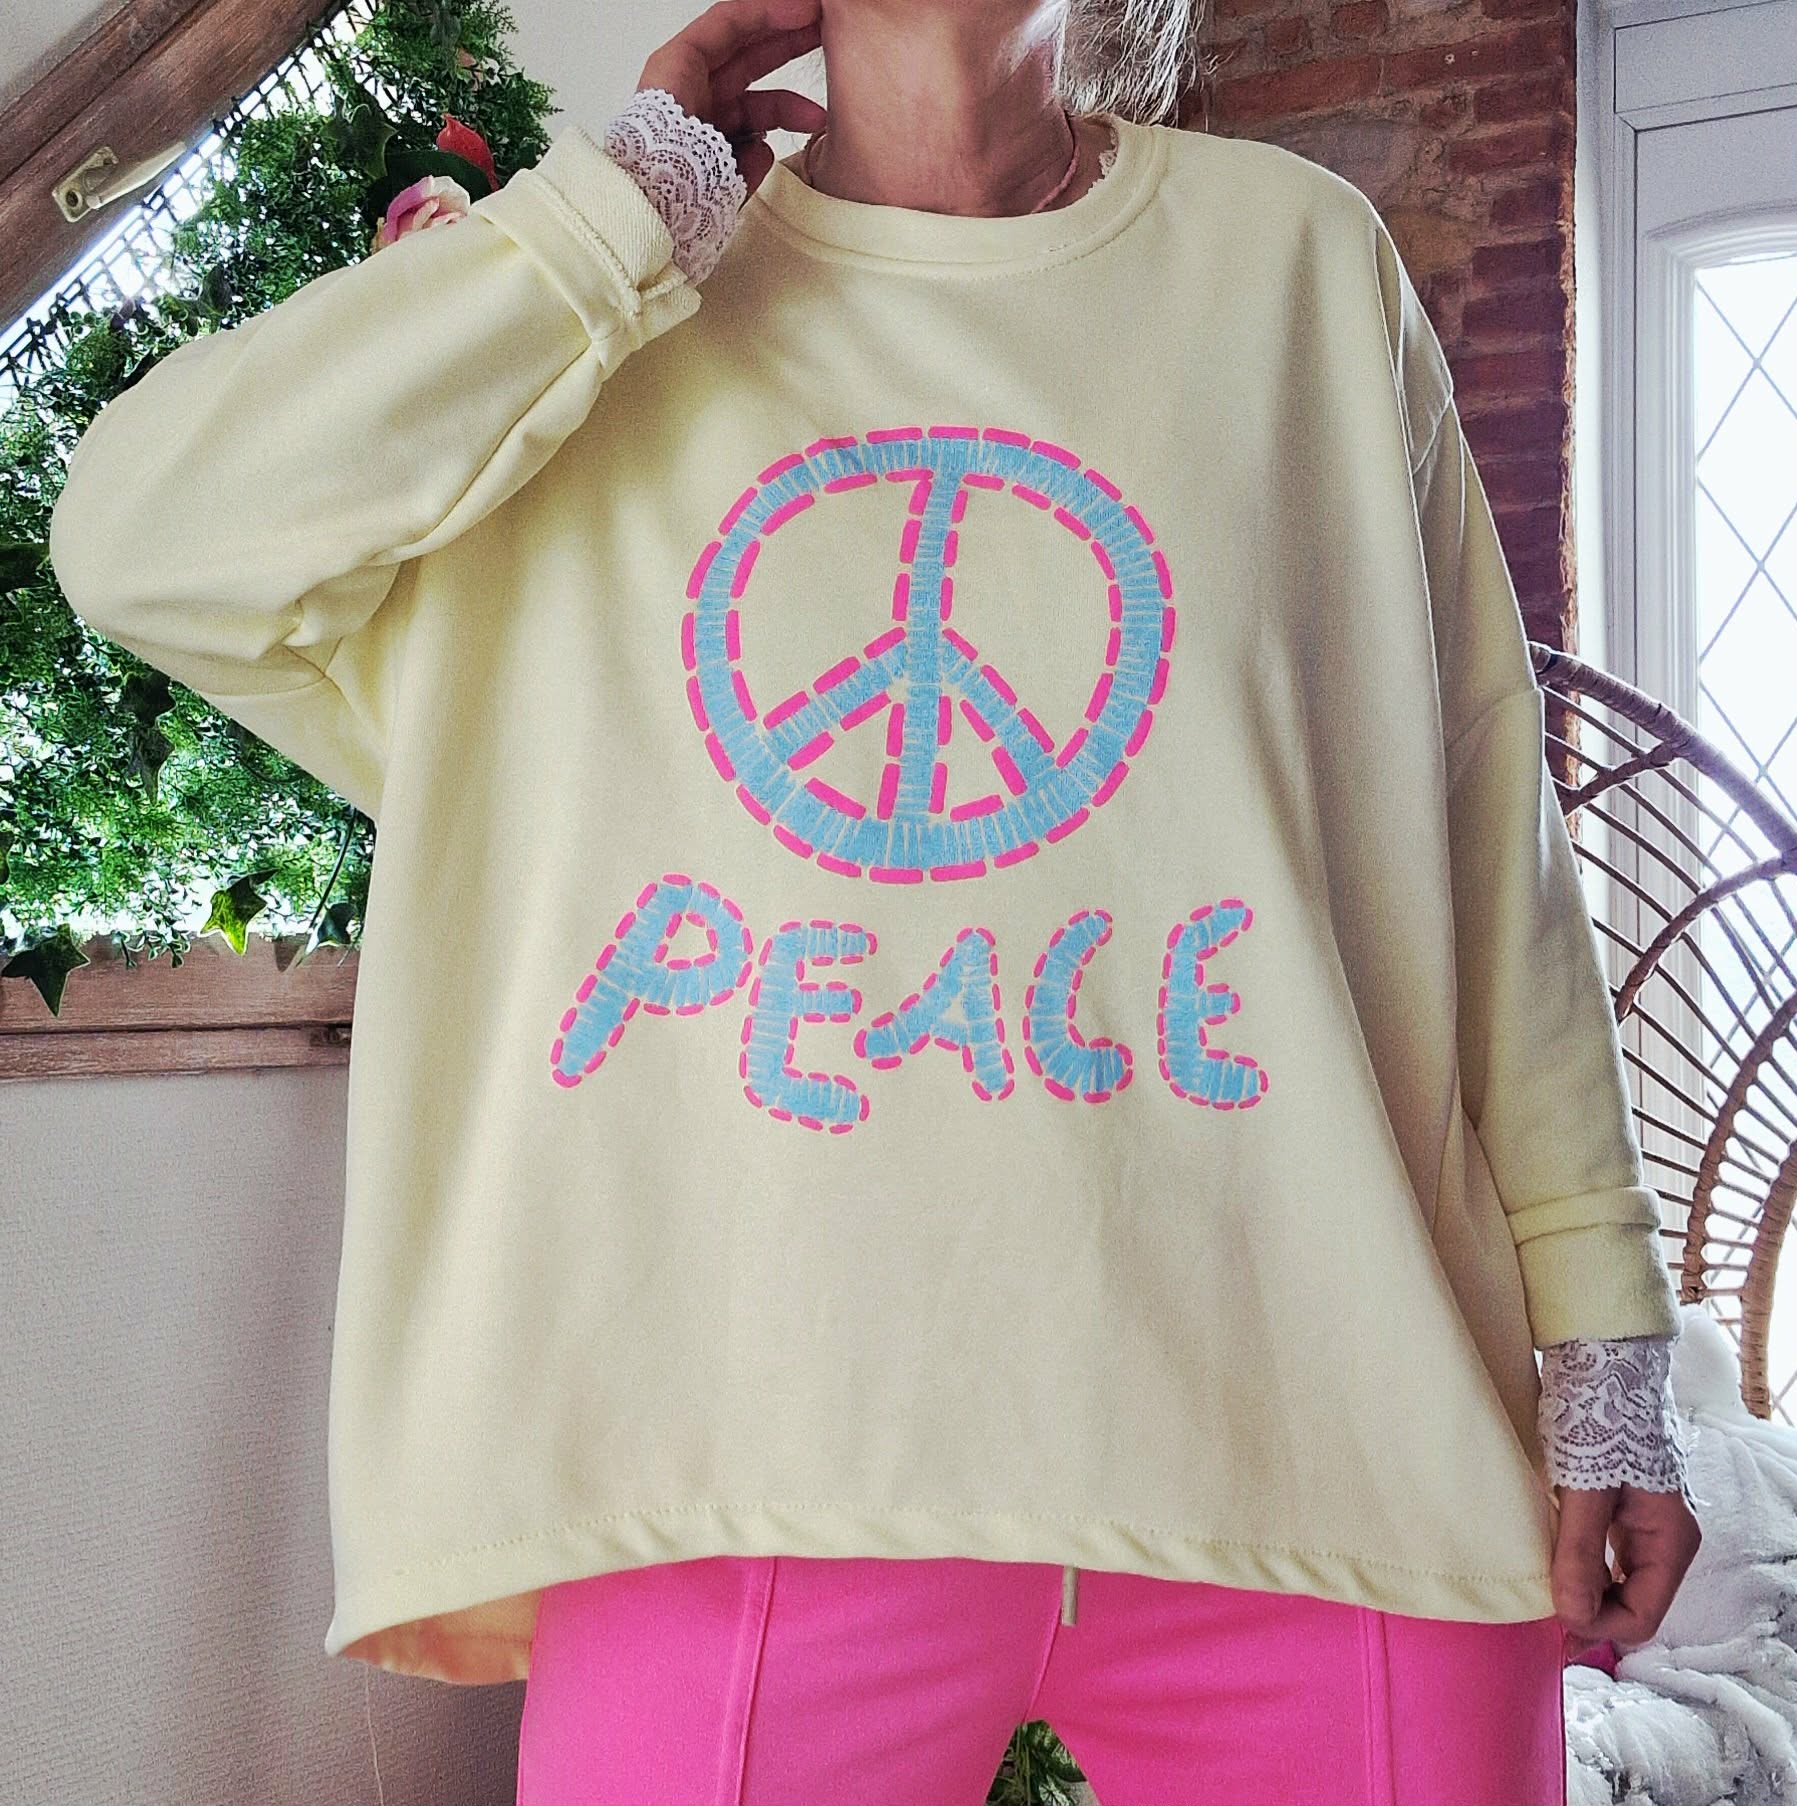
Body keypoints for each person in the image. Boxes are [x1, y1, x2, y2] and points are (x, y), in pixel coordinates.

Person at [49, 0, 1706, 1799]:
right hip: (735, 1464)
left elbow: (1487, 836)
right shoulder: (591, 311)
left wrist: (1604, 1341)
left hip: (1333, 1440)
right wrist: (616, 219)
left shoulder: (1301, 269)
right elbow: (139, 539)